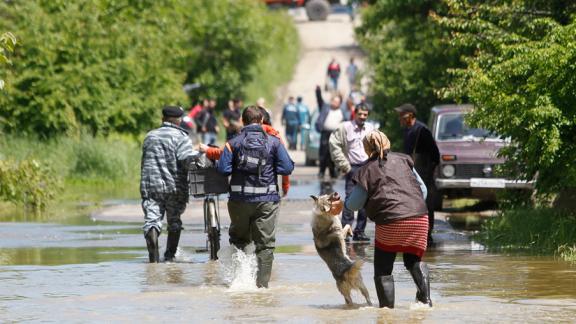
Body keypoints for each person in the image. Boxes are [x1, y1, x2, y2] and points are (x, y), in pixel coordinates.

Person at [345, 130, 432, 308]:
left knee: (383, 269)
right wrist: (409, 209)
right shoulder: (405, 160)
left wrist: (344, 204)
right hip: (420, 219)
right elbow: (423, 191)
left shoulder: (366, 169)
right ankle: (426, 302)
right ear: (388, 143)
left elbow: (354, 204)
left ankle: (387, 313)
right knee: (413, 261)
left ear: (367, 148)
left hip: (390, 222)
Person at [216, 106, 294, 288]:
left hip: (239, 201)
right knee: (265, 246)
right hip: (266, 201)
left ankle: (238, 283)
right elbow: (287, 168)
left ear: (243, 121)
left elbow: (222, 169)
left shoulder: (232, 143)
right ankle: (261, 287)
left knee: (239, 241)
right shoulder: (274, 142)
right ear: (261, 121)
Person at [140, 106, 201, 263]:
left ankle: (153, 258)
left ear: (163, 119)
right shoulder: (181, 137)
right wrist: (199, 156)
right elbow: (185, 159)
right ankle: (169, 256)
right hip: (174, 186)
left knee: (152, 219)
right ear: (179, 120)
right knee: (174, 220)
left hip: (150, 184)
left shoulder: (150, 136)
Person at [201, 107, 291, 198]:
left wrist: (208, 150)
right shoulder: (276, 139)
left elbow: (223, 155)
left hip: (241, 196)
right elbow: (286, 167)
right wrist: (285, 187)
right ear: (263, 119)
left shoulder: (239, 137)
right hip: (267, 197)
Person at [394, 103, 440, 247]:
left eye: (402, 115)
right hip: (411, 173)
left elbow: (435, 155)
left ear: (410, 116)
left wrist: (427, 173)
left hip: (424, 174)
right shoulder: (407, 130)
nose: (399, 118)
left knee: (426, 205)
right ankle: (414, 235)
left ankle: (427, 236)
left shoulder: (422, 130)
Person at [329, 103, 375, 242]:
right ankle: (345, 230)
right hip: (352, 168)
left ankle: (359, 231)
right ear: (354, 113)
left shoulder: (371, 128)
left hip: (367, 167)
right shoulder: (345, 127)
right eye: (360, 114)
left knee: (365, 200)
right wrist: (344, 165)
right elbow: (334, 144)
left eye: (365, 115)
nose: (362, 117)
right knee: (350, 200)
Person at [315, 85, 350, 179]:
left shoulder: (342, 111)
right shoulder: (325, 107)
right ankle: (321, 172)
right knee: (323, 153)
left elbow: (347, 123)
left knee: (332, 154)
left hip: (335, 135)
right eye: (333, 101)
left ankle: (332, 172)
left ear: (340, 103)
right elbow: (319, 100)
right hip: (325, 133)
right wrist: (318, 91)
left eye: (337, 102)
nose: (334, 103)